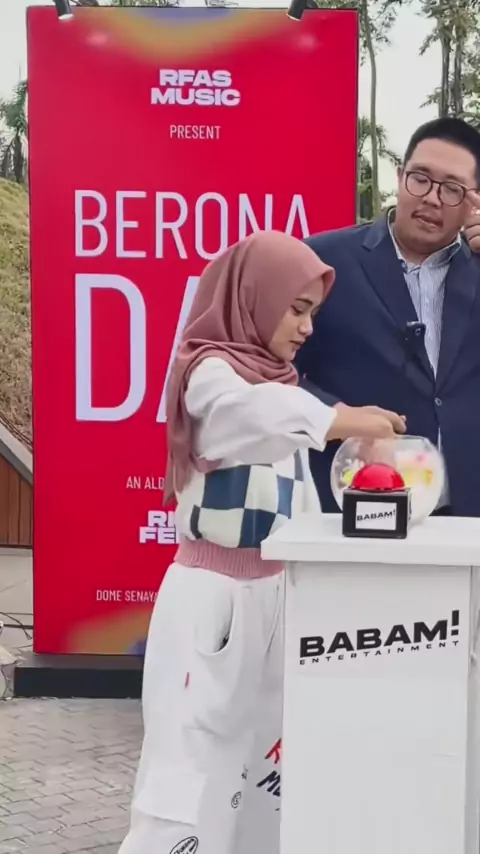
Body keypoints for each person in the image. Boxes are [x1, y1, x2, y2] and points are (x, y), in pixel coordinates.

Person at [118, 230, 405, 854]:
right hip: (212, 600)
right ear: (255, 296)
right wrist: (338, 420)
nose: (306, 328)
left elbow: (296, 495)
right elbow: (249, 415)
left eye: (313, 313)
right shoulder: (209, 374)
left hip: (276, 597)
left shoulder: (279, 383)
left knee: (268, 767)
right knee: (188, 769)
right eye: (296, 309)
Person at [300, 117, 480, 517]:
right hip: (357, 505)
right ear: (400, 177)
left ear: (474, 202)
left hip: (468, 518)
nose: (432, 198)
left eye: (452, 189)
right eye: (420, 179)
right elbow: (270, 370)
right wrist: (336, 415)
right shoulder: (322, 261)